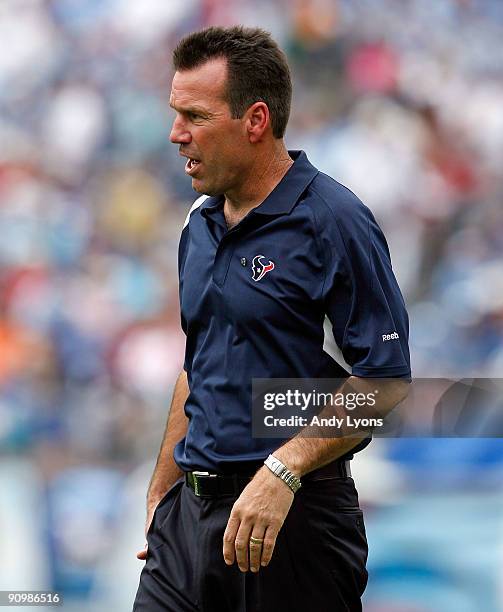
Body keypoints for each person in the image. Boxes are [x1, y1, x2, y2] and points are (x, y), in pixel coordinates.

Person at [133, 26, 411, 612]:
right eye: (174, 113)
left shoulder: (334, 220)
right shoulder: (199, 224)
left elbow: (385, 380)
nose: (175, 134)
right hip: (190, 524)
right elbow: (198, 360)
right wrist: (162, 491)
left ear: (255, 121)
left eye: (195, 117)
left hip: (294, 523)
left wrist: (282, 469)